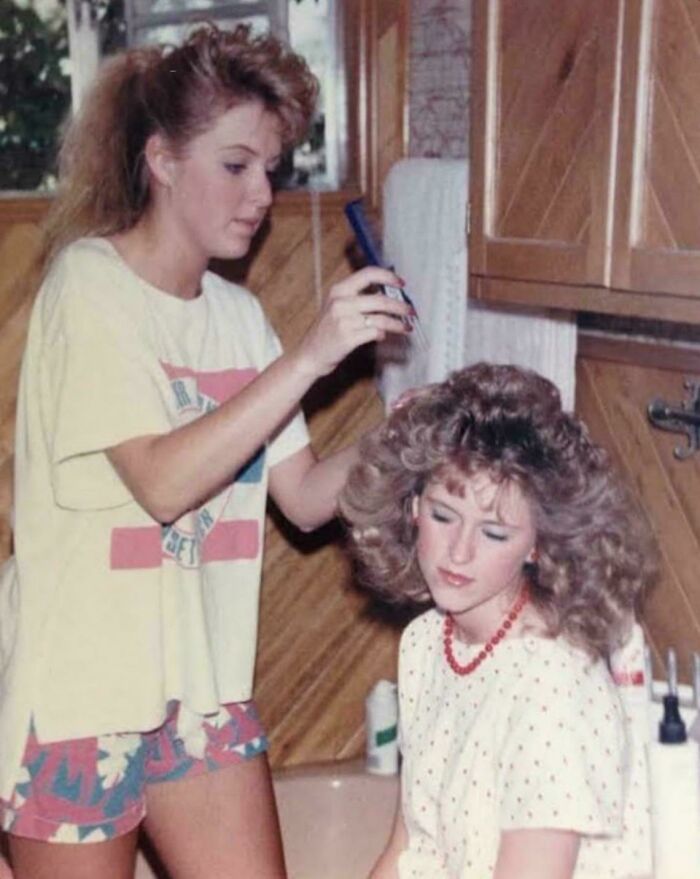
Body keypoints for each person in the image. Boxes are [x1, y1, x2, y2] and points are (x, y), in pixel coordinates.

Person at [0, 22, 412, 879]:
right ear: (161, 159)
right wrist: (310, 355)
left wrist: (408, 428)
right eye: (236, 165)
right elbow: (160, 482)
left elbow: (302, 496)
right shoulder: (91, 287)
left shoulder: (238, 318)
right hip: (79, 695)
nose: (261, 192)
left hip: (200, 692)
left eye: (271, 168)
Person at [339, 363, 657, 879]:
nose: (458, 553)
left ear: (539, 543)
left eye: (494, 533)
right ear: (413, 506)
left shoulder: (554, 682)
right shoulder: (425, 642)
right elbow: (407, 851)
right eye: (444, 516)